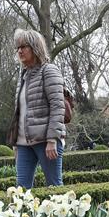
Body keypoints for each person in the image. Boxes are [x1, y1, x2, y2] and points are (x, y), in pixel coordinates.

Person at [6, 29, 67, 188]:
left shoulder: (49, 70)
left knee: (54, 188)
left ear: (35, 48)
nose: (19, 51)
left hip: (46, 141)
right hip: (23, 144)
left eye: (24, 46)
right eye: (17, 47)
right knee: (21, 192)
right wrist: (15, 142)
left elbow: (57, 107)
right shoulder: (23, 76)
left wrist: (53, 139)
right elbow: (19, 112)